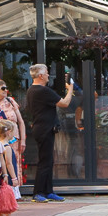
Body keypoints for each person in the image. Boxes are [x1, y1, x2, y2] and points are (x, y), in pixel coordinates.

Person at [25, 64, 73, 203]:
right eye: (46, 73)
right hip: (44, 128)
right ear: (40, 76)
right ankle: (38, 192)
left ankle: (48, 191)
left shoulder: (32, 90)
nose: (48, 75)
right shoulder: (42, 90)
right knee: (45, 161)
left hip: (42, 128)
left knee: (48, 160)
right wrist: (70, 89)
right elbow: (64, 103)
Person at [0, 79, 26, 162]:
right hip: (0, 139)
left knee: (15, 162)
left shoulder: (10, 101)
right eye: (3, 88)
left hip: (14, 139)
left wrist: (23, 140)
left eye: (6, 88)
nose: (6, 90)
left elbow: (21, 122)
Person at [0, 120, 23, 216]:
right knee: (7, 198)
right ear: (8, 132)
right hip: (7, 176)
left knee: (0, 197)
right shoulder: (7, 147)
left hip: (0, 175)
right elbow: (9, 163)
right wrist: (14, 177)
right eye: (13, 132)